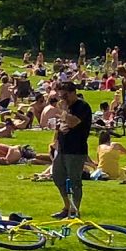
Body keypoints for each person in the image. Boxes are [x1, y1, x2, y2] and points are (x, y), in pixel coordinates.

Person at [50, 81, 92, 219]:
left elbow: (73, 122)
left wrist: (63, 113)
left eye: (65, 96)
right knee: (57, 177)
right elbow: (63, 124)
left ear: (73, 93)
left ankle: (75, 211)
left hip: (76, 150)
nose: (63, 99)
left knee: (75, 182)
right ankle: (67, 206)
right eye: (61, 96)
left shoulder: (82, 106)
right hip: (62, 149)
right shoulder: (66, 107)